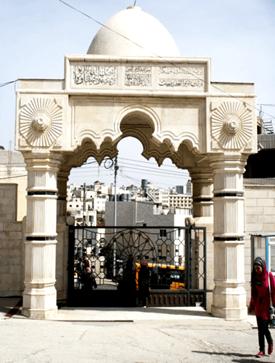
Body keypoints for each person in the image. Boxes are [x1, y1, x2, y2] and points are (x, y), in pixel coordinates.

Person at [249, 256, 275, 358]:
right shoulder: (255, 277)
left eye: (259, 267)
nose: (257, 269)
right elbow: (253, 293)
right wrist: (251, 305)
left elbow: (274, 292)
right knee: (260, 329)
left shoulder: (269, 276)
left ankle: (270, 341)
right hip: (258, 307)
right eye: (255, 267)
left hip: (266, 307)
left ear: (263, 266)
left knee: (264, 328)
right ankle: (261, 350)